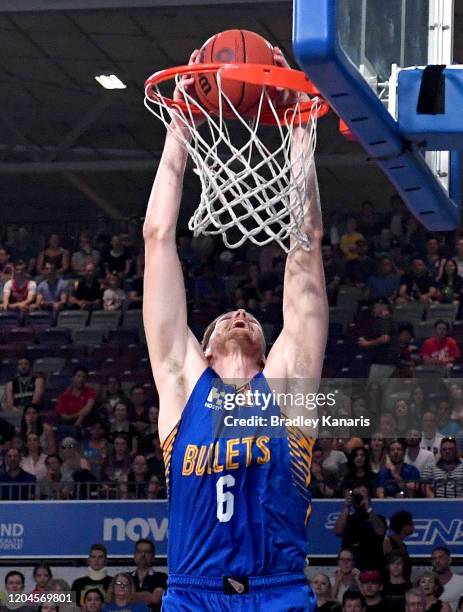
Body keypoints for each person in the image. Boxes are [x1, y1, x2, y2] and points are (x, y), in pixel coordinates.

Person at [143, 47, 328, 610]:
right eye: (227, 315)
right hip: (195, 595)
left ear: (267, 348)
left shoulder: (288, 391)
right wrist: (180, 129)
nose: (242, 313)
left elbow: (306, 249)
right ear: (203, 343)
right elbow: (156, 237)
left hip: (278, 592)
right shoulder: (181, 389)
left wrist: (299, 133)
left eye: (250, 316)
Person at [334, 485, 387, 572]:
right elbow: (338, 532)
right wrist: (346, 508)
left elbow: (380, 531)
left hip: (372, 565)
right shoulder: (348, 519)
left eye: (362, 494)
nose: (359, 497)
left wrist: (368, 508)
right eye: (356, 494)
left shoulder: (379, 518)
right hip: (351, 567)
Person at [131, 539, 167, 612]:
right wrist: (147, 594)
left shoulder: (161, 577)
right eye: (139, 551)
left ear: (153, 556)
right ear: (134, 555)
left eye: (147, 552)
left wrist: (131, 596)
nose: (143, 555)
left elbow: (155, 599)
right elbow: (117, 599)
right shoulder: (125, 577)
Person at [383, 511, 414, 579]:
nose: (413, 526)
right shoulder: (388, 542)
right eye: (411, 524)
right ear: (404, 527)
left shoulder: (402, 545)